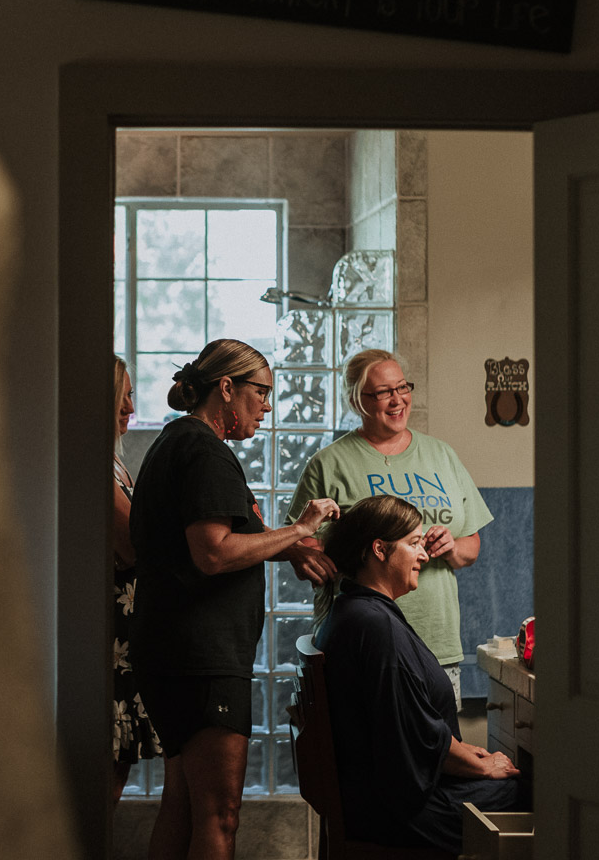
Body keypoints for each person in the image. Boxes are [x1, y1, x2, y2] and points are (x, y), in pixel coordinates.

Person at [130, 339, 340, 860]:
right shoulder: (206, 453)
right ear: (227, 388)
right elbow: (214, 553)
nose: (268, 407)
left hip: (172, 653)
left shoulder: (176, 442)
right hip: (202, 659)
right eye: (262, 392)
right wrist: (300, 528)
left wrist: (285, 548)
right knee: (220, 816)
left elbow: (222, 539)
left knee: (181, 805)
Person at [313, 495, 526, 854]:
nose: (425, 556)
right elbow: (413, 741)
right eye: (414, 544)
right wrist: (483, 768)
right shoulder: (375, 627)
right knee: (526, 791)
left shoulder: (354, 611)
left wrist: (463, 752)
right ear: (379, 550)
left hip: (372, 799)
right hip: (398, 812)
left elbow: (409, 726)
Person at [287, 349, 491, 703]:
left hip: (435, 640)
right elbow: (297, 543)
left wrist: (452, 547)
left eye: (402, 388)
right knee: (374, 751)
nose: (397, 400)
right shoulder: (328, 464)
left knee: (442, 751)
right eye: (383, 392)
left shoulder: (441, 455)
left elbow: (471, 545)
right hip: (362, 641)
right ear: (356, 400)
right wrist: (304, 557)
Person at [110, 356, 160, 807]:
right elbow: (134, 547)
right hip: (110, 642)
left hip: (129, 636)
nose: (131, 405)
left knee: (117, 767)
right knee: (105, 775)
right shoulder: (97, 469)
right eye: (124, 394)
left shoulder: (118, 466)